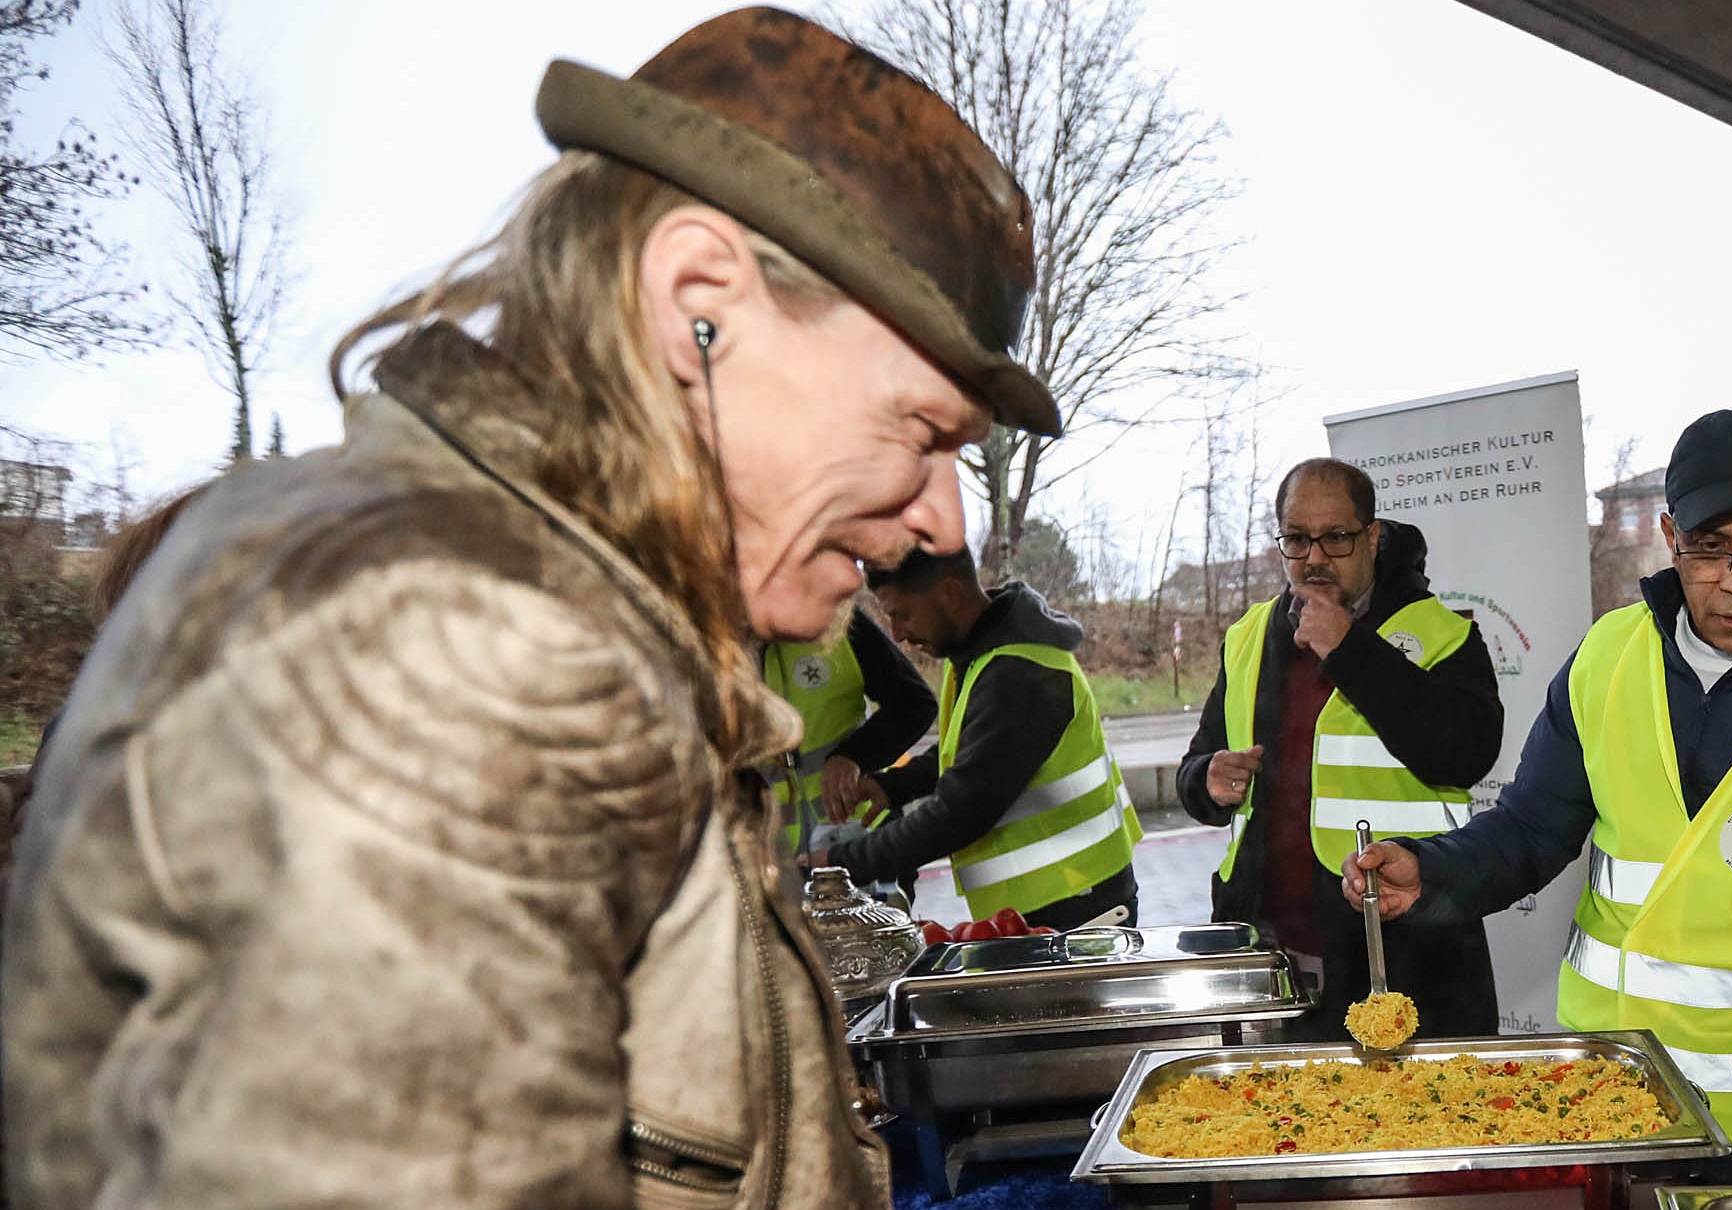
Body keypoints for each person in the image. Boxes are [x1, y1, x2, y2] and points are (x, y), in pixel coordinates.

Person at [4, 9, 1057, 1205]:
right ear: (695, 301)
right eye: (923, 434)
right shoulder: (451, 647)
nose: (943, 523)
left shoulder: (560, 617)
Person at [1345, 410, 1732, 1162]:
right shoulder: (1606, 657)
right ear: (1670, 537)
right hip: (1612, 1095)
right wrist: (1431, 868)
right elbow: (1531, 829)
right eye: (1710, 549)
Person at [1177, 458, 1504, 1039]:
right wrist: (1208, 779)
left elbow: (1467, 753)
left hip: (1399, 953)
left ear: (1373, 538)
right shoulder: (1250, 634)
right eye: (1298, 539)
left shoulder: (1441, 633)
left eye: (1337, 537)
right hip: (1271, 959)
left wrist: (1350, 649)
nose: (1316, 558)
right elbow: (1199, 765)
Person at [815, 550, 1140, 929]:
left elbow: (958, 813)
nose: (897, 634)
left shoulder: (1020, 673)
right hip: (1052, 901)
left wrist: (838, 863)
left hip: (1077, 907)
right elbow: (968, 753)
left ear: (950, 594)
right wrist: (894, 786)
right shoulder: (983, 656)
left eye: (902, 614)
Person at [758, 607, 936, 866]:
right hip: (762, 865)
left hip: (858, 844)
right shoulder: (700, 646)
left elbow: (914, 704)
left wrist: (853, 755)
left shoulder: (835, 615)